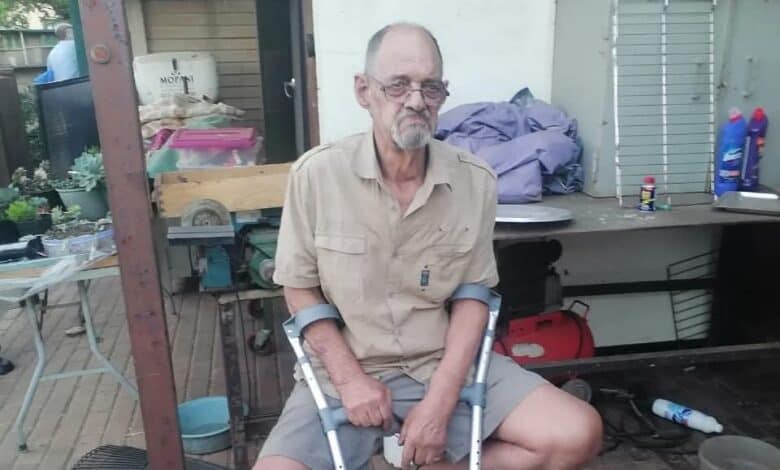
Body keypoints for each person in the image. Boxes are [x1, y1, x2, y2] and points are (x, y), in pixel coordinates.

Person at [255, 23, 603, 470]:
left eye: (430, 87)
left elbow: (473, 297)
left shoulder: (474, 180)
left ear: (443, 95)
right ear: (364, 91)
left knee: (576, 433)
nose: (416, 101)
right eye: (398, 85)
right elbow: (300, 288)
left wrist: (440, 401)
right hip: (347, 368)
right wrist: (350, 381)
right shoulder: (317, 175)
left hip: (440, 364)